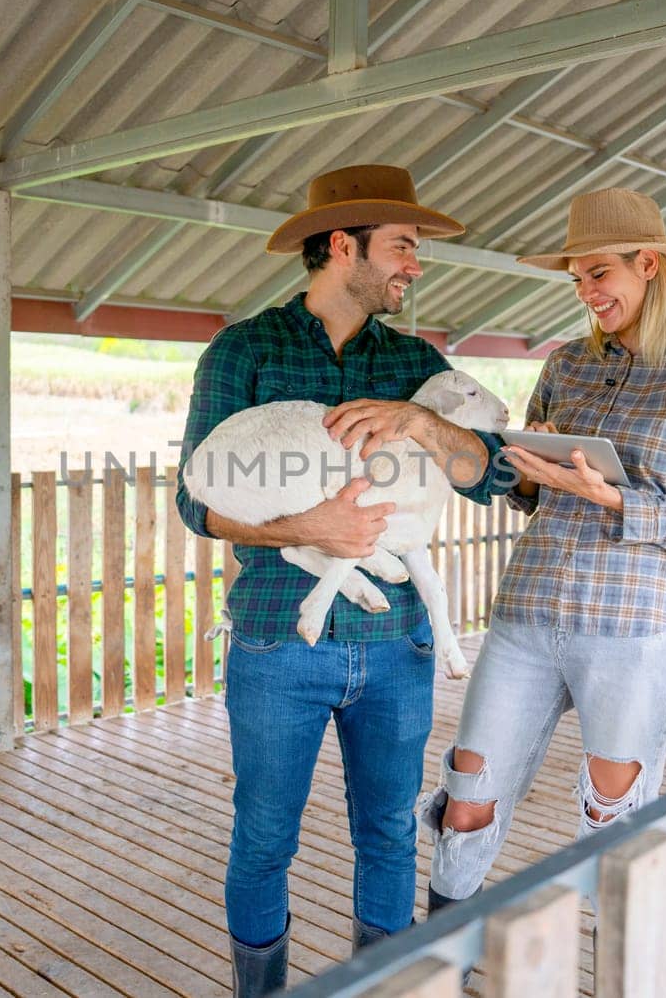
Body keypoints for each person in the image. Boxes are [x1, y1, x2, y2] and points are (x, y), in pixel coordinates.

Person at [175, 164, 511, 996]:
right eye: (402, 246)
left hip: (398, 641)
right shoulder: (245, 350)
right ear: (340, 245)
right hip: (274, 635)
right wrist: (304, 529)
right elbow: (194, 499)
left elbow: (490, 475)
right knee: (262, 838)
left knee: (391, 833)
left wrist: (424, 420)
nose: (415, 265)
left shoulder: (416, 363)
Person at [421, 188, 666, 913]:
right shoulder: (567, 363)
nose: (587, 293)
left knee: (613, 821)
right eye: (576, 278)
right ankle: (436, 972)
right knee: (465, 801)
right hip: (529, 611)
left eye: (598, 273)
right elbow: (533, 489)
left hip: (635, 627)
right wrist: (525, 475)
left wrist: (615, 498)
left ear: (648, 264)